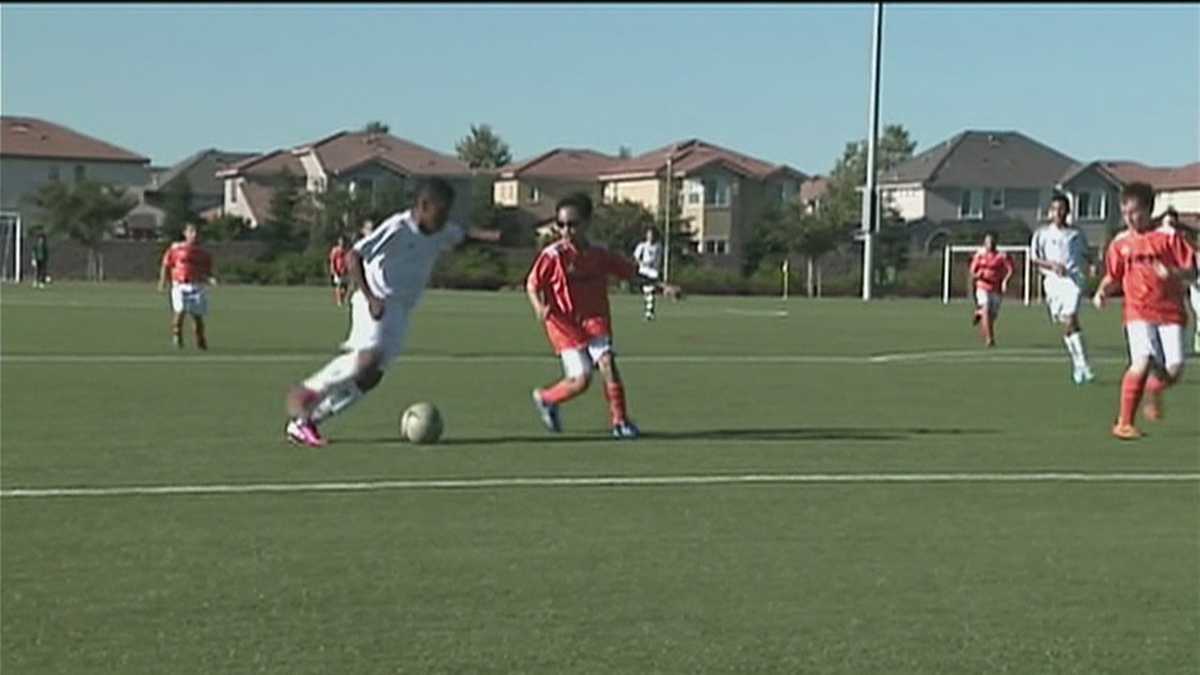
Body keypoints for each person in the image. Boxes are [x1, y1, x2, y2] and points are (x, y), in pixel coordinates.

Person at [283, 179, 500, 447]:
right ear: (423, 206)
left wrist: (494, 238)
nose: (444, 219)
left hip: (400, 311)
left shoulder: (440, 231)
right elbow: (354, 256)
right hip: (374, 301)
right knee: (367, 358)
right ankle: (310, 389)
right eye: (440, 212)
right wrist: (371, 296)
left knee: (370, 377)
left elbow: (462, 238)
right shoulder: (398, 227)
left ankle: (309, 421)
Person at [527, 193, 681, 440]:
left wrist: (662, 287)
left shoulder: (599, 255)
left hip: (594, 320)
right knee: (581, 380)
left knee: (608, 362)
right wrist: (538, 307)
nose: (566, 231)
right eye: (562, 225)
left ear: (587, 223)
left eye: (573, 224)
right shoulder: (553, 256)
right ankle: (546, 398)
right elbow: (532, 284)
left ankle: (620, 422)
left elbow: (631, 274)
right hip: (563, 324)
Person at [1093, 183, 1197, 440]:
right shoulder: (1120, 243)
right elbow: (1113, 276)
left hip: (1171, 312)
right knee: (1142, 360)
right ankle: (1124, 422)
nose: (1129, 218)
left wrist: (1171, 272)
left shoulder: (1169, 238)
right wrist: (1102, 291)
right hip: (1137, 311)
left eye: (1135, 212)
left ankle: (1155, 388)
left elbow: (1192, 272)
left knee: (1175, 369)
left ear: (1149, 210)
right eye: (1125, 212)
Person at [1031, 192, 1095, 383]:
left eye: (1062, 209)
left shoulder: (1076, 234)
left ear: (1067, 212)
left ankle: (1084, 364)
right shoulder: (1041, 234)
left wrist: (1092, 265)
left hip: (1073, 281)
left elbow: (1087, 253)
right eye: (1054, 209)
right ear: (1049, 212)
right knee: (1067, 325)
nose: (1058, 213)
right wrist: (1052, 265)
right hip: (1052, 282)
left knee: (1071, 317)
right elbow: (1035, 258)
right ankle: (1078, 364)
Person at [158, 224, 216, 350]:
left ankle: (200, 340)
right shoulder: (176, 249)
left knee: (197, 316)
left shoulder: (203, 253)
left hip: (197, 285)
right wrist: (162, 281)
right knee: (180, 311)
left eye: (196, 232)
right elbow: (166, 264)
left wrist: (210, 278)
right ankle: (177, 336)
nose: (194, 234)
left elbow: (207, 270)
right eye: (191, 231)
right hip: (180, 285)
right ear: (185, 233)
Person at [968, 231, 1014, 348]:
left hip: (996, 288)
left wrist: (1005, 281)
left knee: (991, 316)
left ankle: (979, 313)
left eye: (992, 242)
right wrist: (977, 275)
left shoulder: (1001, 256)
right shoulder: (979, 255)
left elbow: (1010, 270)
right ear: (984, 243)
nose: (990, 244)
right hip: (982, 286)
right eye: (988, 242)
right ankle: (989, 339)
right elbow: (972, 271)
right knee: (986, 307)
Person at [632, 227, 663, 321]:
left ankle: (649, 313)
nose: (650, 236)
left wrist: (654, 265)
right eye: (649, 234)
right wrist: (641, 263)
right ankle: (649, 312)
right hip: (644, 271)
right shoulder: (642, 245)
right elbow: (635, 257)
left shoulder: (658, 246)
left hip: (653, 271)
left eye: (652, 234)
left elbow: (657, 259)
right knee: (647, 292)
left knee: (650, 291)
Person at [328, 234, 352, 307]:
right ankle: (339, 301)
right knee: (339, 285)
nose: (342, 243)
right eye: (341, 241)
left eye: (343, 241)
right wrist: (333, 269)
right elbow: (332, 260)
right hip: (338, 270)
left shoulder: (347, 249)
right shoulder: (335, 250)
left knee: (345, 286)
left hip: (346, 270)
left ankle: (343, 298)